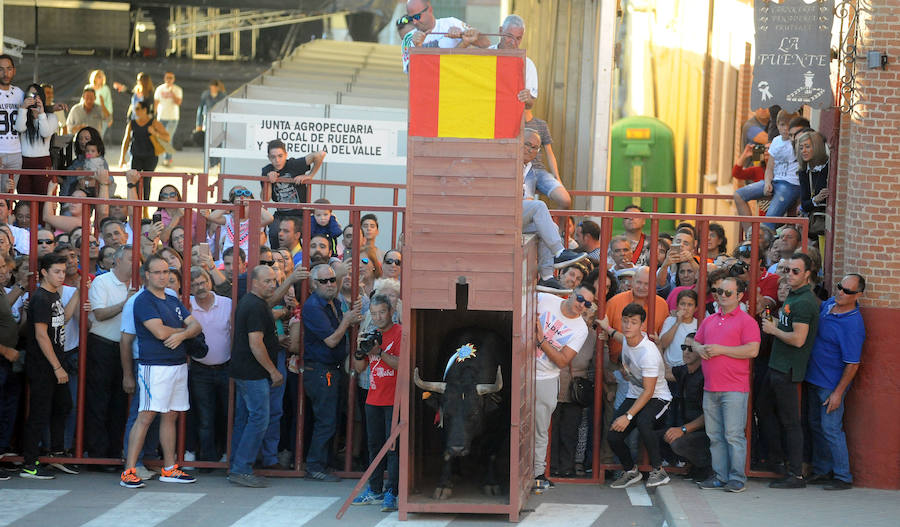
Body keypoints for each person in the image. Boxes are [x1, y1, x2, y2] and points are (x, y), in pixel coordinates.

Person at [120, 253, 202, 488]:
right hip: (154, 366)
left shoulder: (172, 298)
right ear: (147, 275)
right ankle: (129, 471)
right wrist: (182, 331)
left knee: (171, 415)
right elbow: (158, 332)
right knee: (145, 416)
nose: (163, 276)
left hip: (177, 365)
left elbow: (195, 325)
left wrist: (182, 335)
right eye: (157, 272)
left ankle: (169, 468)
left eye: (166, 272)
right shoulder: (143, 300)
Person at [692, 277, 760, 493]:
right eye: (719, 291)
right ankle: (721, 476)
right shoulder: (709, 320)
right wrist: (698, 349)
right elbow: (695, 341)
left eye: (728, 293)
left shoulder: (747, 321)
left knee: (732, 435)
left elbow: (752, 350)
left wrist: (721, 349)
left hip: (734, 388)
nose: (722, 296)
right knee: (715, 436)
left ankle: (737, 477)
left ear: (740, 296)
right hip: (711, 387)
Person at [759, 252, 819, 488]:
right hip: (777, 366)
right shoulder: (794, 297)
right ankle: (778, 461)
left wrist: (773, 331)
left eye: (796, 271)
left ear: (807, 274)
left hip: (787, 370)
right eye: (787, 270)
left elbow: (798, 339)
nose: (790, 275)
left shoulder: (804, 301)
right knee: (764, 412)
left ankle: (795, 474)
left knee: (790, 422)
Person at [600, 303, 673, 488]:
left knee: (643, 423)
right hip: (635, 395)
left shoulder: (648, 353)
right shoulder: (626, 339)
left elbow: (649, 391)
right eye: (625, 321)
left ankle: (659, 471)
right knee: (613, 435)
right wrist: (606, 327)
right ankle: (631, 471)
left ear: (642, 325)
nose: (627, 326)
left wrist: (628, 416)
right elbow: (617, 335)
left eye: (633, 322)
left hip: (658, 397)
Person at [804, 274, 865, 491]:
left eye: (847, 291)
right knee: (816, 425)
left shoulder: (853, 325)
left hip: (830, 384)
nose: (840, 292)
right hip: (814, 378)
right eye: (840, 287)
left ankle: (842, 476)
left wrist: (838, 393)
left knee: (831, 428)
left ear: (858, 295)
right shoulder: (830, 304)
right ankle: (822, 470)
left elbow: (853, 364)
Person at [302, 264, 362, 481]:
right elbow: (331, 340)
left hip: (332, 370)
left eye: (332, 280)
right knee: (325, 420)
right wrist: (347, 321)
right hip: (320, 370)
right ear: (314, 285)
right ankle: (315, 466)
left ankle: (324, 463)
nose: (330, 284)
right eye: (324, 281)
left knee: (333, 418)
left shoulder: (334, 302)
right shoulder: (313, 307)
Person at [227, 265, 283, 488]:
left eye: (274, 281)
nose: (272, 285)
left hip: (244, 371)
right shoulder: (256, 306)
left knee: (245, 420)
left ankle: (236, 466)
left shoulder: (252, 303)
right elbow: (256, 343)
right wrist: (273, 370)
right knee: (259, 419)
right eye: (267, 281)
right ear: (255, 282)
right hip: (253, 373)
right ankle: (241, 468)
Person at [20, 253, 74, 479]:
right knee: (39, 414)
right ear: (44, 272)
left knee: (63, 406)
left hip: (54, 364)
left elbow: (63, 320)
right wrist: (57, 367)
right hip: (44, 366)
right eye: (57, 272)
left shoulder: (53, 296)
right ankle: (29, 464)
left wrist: (81, 292)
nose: (62, 276)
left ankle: (55, 454)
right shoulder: (41, 298)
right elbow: (41, 336)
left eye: (63, 271)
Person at [533, 284, 592, 490]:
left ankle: (537, 473)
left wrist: (541, 340)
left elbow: (562, 361)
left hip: (546, 377)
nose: (581, 305)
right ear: (572, 293)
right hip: (522, 371)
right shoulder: (546, 299)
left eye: (587, 304)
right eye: (579, 298)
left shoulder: (581, 329)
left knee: (540, 429)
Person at [351, 294, 402, 511]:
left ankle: (392, 492)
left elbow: (401, 364)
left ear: (391, 312)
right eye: (373, 314)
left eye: (382, 312)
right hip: (373, 398)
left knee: (393, 449)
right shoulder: (371, 334)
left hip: (394, 400)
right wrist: (359, 348)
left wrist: (379, 352)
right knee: (373, 446)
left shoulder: (400, 333)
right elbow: (359, 368)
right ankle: (375, 490)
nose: (378, 317)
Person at [85, 245, 134, 462]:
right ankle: (98, 454)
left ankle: (114, 453)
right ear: (118, 260)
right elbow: (100, 313)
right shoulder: (102, 281)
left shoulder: (138, 283)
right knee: (99, 401)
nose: (136, 264)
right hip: (103, 345)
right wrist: (125, 303)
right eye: (132, 259)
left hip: (127, 349)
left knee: (120, 403)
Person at [734, 110, 802, 233]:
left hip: (790, 184)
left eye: (789, 124)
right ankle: (751, 236)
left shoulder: (798, 141)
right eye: (782, 125)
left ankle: (760, 242)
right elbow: (770, 167)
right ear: (777, 125)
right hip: (775, 181)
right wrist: (767, 182)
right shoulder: (776, 141)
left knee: (767, 223)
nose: (785, 128)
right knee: (739, 195)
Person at [659, 332, 710, 482]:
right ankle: (693, 465)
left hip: (706, 433)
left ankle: (705, 467)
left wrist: (682, 430)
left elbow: (708, 415)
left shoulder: (706, 375)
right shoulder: (685, 370)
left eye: (690, 348)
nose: (686, 352)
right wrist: (659, 347)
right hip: (690, 429)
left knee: (676, 441)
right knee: (656, 435)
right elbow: (665, 372)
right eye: (683, 347)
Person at [261, 139, 325, 250]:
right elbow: (265, 199)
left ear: (286, 155)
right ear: (269, 158)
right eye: (273, 157)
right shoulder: (267, 170)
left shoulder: (293, 165)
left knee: (306, 235)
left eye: (280, 156)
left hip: (299, 213)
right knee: (274, 232)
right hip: (281, 214)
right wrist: (269, 181)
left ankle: (303, 260)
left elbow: (320, 154)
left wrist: (310, 175)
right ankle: (277, 257)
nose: (277, 160)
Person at [119, 100, 169, 199]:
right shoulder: (132, 123)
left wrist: (155, 133)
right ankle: (135, 205)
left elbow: (167, 137)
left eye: (137, 109)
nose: (135, 111)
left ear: (144, 110)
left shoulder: (153, 123)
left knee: (146, 181)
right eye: (134, 109)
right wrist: (122, 157)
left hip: (150, 156)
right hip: (136, 155)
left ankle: (145, 206)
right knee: (134, 180)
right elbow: (126, 140)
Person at [15, 83, 58, 199]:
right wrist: (23, 109)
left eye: (37, 95)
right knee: (25, 199)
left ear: (42, 97)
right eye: (31, 95)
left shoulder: (51, 117)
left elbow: (45, 133)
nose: (34, 98)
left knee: (43, 198)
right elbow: (19, 128)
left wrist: (42, 113)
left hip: (43, 161)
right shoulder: (22, 115)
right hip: (24, 161)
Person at [205, 186, 273, 255]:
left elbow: (269, 218)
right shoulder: (228, 219)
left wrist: (254, 204)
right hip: (227, 259)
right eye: (238, 205)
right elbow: (212, 217)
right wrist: (230, 205)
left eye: (246, 205)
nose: (242, 208)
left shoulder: (252, 222)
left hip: (245, 260)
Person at [406, 0, 490, 49]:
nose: (414, 22)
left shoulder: (451, 23)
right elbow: (412, 73)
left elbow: (486, 43)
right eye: (410, 18)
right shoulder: (408, 38)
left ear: (430, 10)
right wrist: (417, 47)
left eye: (417, 16)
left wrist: (465, 36)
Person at [795, 130, 829, 239]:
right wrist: (816, 199)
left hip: (829, 220)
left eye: (807, 147)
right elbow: (805, 204)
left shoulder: (829, 166)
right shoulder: (803, 172)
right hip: (815, 223)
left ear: (817, 147)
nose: (803, 151)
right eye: (801, 148)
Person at [0, 55, 23, 193]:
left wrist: (52, 108)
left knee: (9, 196)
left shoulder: (19, 93)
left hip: (16, 152)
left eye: (8, 69)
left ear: (14, 71)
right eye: (1, 69)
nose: (5, 73)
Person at [153, 72, 183, 167]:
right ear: (164, 78)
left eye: (171, 78)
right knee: (159, 137)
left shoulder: (177, 89)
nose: (169, 79)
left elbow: (178, 102)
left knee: (168, 138)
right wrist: (153, 115)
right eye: (167, 77)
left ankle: (168, 158)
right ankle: (158, 156)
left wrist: (172, 93)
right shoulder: (159, 89)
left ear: (173, 79)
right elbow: (156, 103)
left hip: (173, 118)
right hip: (161, 117)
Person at [87, 70, 114, 138]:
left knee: (98, 137)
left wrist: (110, 118)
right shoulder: (88, 88)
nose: (101, 79)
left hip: (102, 117)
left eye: (102, 77)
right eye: (99, 77)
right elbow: (82, 102)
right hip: (89, 116)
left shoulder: (106, 89)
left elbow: (109, 104)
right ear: (94, 78)